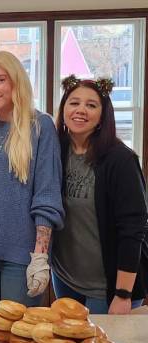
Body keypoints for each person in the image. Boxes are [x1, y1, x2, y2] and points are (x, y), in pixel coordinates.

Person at [0, 51, 64, 312]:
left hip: (22, 255)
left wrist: (40, 256)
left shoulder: (40, 126)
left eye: (0, 80)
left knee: (18, 337)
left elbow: (47, 195)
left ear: (16, 81)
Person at [51, 75, 147, 314]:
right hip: (64, 277)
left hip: (108, 287)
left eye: (91, 105)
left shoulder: (121, 160)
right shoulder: (55, 151)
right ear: (63, 108)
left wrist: (123, 294)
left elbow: (133, 229)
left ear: (103, 115)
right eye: (74, 103)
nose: (80, 110)